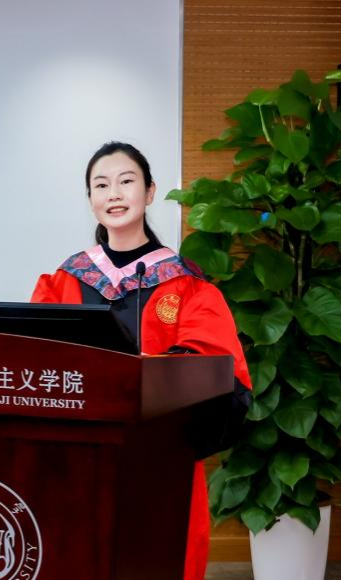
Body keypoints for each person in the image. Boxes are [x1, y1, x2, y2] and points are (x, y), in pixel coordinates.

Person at [31, 141, 252, 580]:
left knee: (156, 556)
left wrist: (153, 372)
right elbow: (34, 356)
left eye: (126, 181)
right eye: (101, 185)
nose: (114, 194)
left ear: (149, 192)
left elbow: (215, 364)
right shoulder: (64, 281)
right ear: (90, 199)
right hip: (78, 454)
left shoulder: (186, 284)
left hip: (159, 455)